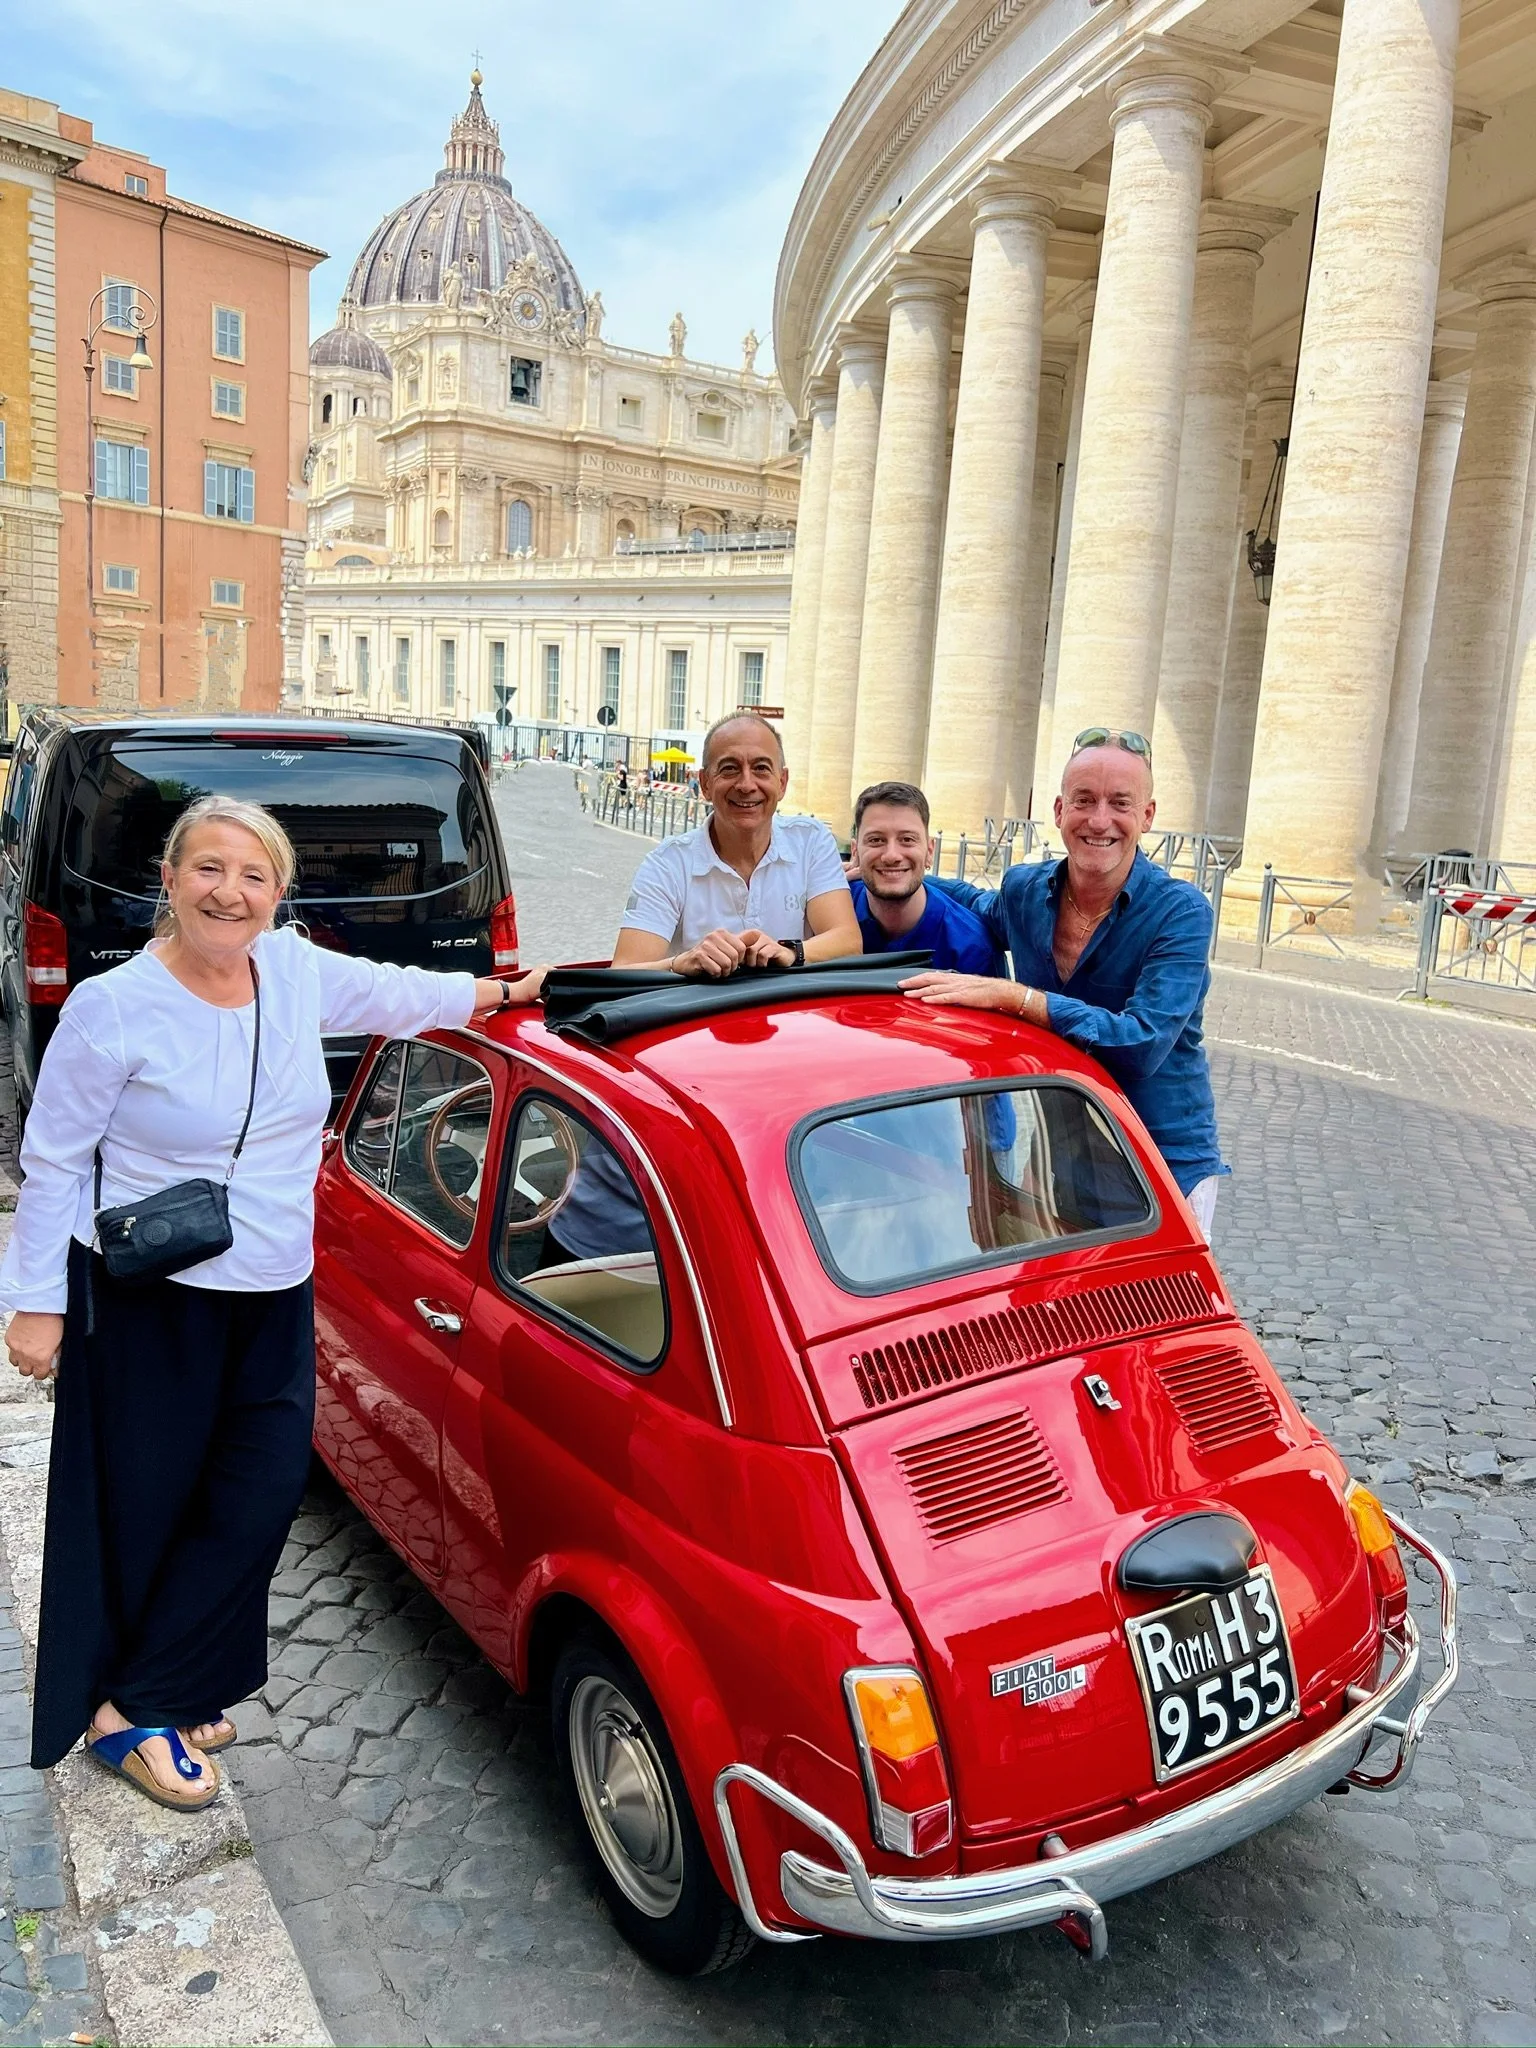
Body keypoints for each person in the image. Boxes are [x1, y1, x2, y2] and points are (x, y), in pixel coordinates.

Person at [0, 795, 548, 1811]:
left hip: (273, 1288)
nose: (230, 891)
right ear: (169, 880)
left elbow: (398, 992)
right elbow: (56, 1155)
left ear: (278, 894)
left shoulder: (292, 970)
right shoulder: (112, 1006)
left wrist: (505, 988)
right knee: (148, 1502)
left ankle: (167, 1677)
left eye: (253, 875)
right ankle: (132, 1710)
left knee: (251, 1497)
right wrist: (33, 1303)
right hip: (151, 1297)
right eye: (209, 868)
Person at [902, 729, 1225, 1234]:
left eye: (1120, 802)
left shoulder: (1179, 912)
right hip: (1062, 1152)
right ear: (1058, 810)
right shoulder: (1026, 890)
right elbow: (975, 905)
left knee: (1154, 1308)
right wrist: (894, 870)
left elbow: (1142, 1043)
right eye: (1084, 800)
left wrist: (1019, 998)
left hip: (1160, 1160)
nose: (1100, 820)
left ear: (1147, 815)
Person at [612, 714, 860, 977]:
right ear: (705, 783)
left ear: (782, 782)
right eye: (729, 768)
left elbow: (848, 942)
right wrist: (682, 962)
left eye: (761, 768)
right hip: (702, 1015)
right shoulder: (667, 864)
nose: (746, 784)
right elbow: (624, 971)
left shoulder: (810, 841)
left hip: (789, 1015)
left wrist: (790, 952)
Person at [850, 780, 1003, 974]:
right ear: (855, 851)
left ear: (930, 851)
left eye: (907, 839)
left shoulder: (972, 946)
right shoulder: (826, 917)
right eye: (876, 840)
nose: (891, 856)